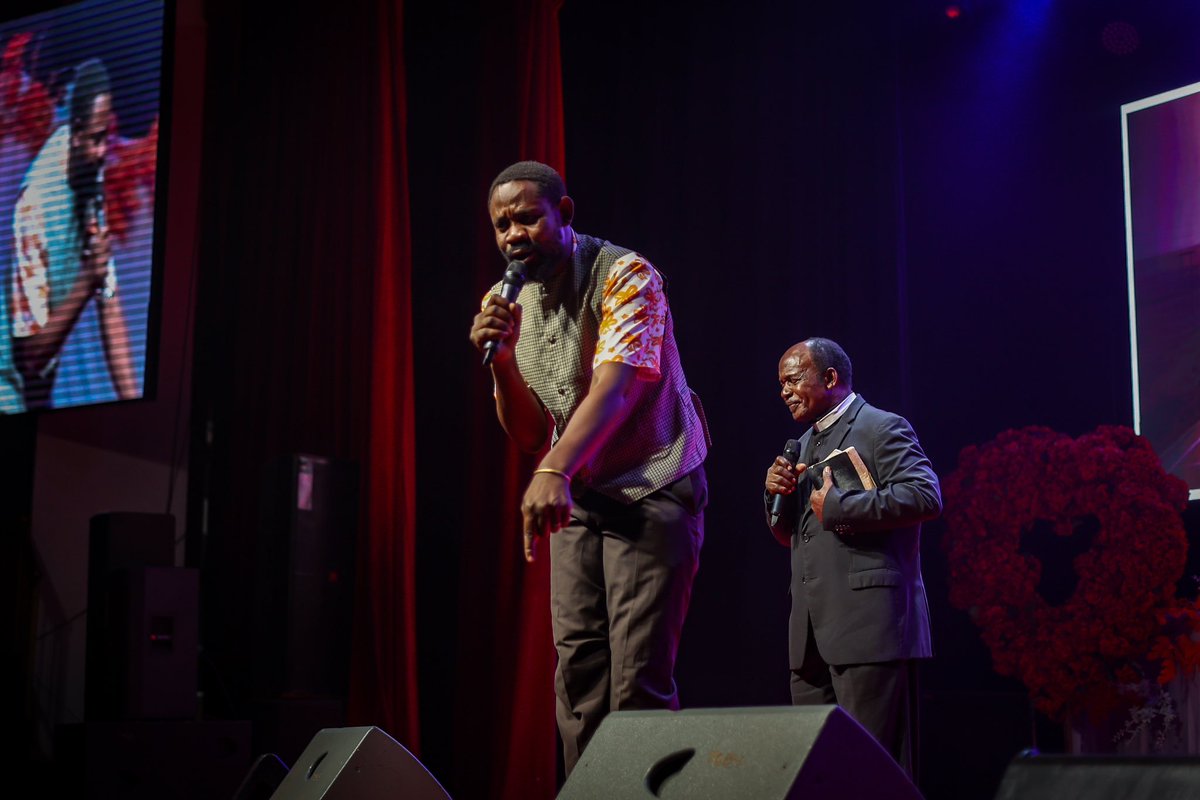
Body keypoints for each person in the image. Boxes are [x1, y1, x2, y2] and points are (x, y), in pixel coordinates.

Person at [469, 160, 709, 774]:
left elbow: (617, 389)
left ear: (565, 214)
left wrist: (552, 472)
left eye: (527, 218)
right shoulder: (505, 299)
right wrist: (502, 361)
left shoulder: (625, 274)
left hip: (652, 483)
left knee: (637, 685)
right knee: (578, 679)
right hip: (581, 492)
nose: (513, 235)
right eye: (501, 225)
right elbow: (529, 433)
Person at [763, 337, 940, 778]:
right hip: (810, 637)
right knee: (819, 774)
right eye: (780, 383)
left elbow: (925, 495)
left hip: (869, 629)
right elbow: (790, 535)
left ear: (830, 378)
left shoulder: (881, 427)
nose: (784, 391)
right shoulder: (803, 444)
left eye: (792, 379)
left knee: (871, 773)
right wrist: (774, 495)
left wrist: (842, 508)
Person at [10, 58, 137, 409]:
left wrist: (134, 404)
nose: (103, 151)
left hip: (38, 390)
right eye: (96, 139)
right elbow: (30, 357)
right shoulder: (35, 203)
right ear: (76, 132)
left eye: (106, 137)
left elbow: (108, 297)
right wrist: (87, 280)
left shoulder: (89, 169)